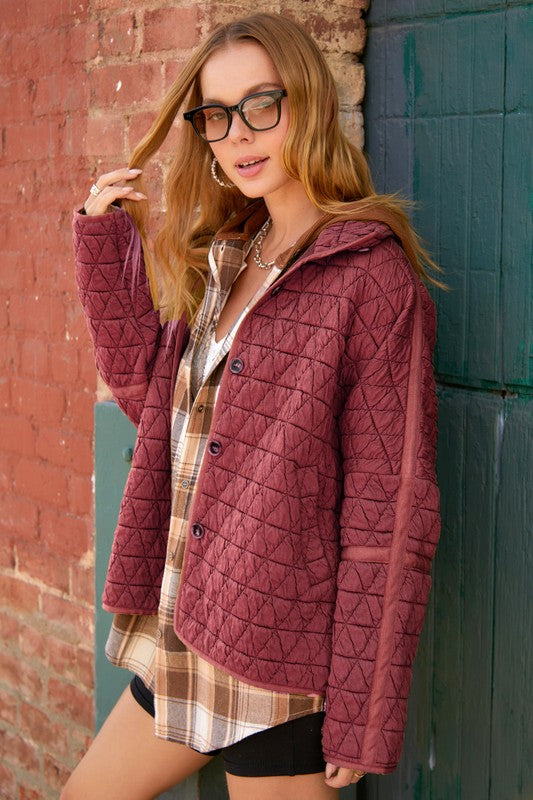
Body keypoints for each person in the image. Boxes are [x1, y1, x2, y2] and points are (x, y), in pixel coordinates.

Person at [64, 12, 445, 800]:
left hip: (278, 667)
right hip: (188, 630)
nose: (238, 133)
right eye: (216, 114)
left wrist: (363, 711)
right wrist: (105, 245)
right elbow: (152, 403)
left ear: (307, 104)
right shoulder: (230, 259)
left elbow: (389, 511)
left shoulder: (371, 280)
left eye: (261, 105)